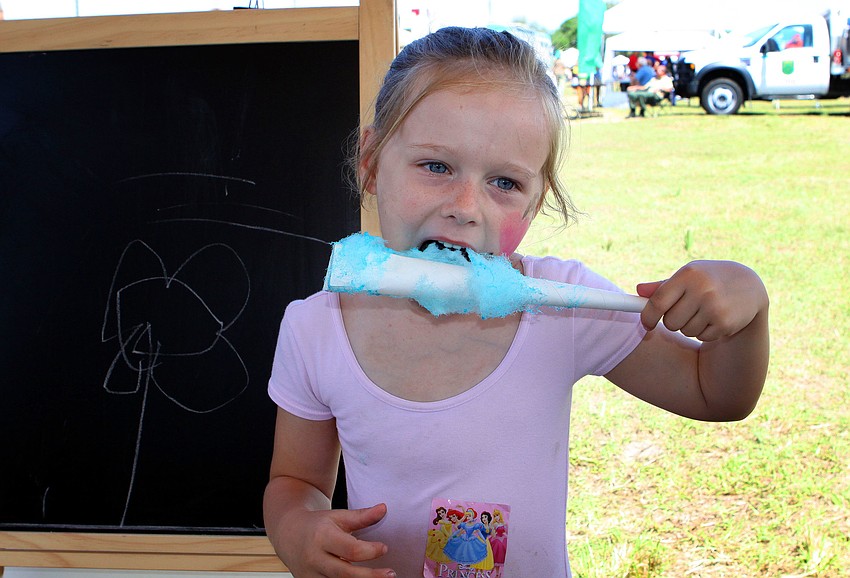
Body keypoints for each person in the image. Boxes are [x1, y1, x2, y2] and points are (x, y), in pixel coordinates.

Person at [263, 26, 769, 577]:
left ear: (536, 204)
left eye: (504, 182)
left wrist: (747, 313)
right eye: (436, 166)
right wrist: (296, 529)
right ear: (370, 162)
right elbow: (297, 482)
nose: (465, 207)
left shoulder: (567, 309)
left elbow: (714, 394)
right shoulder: (314, 329)